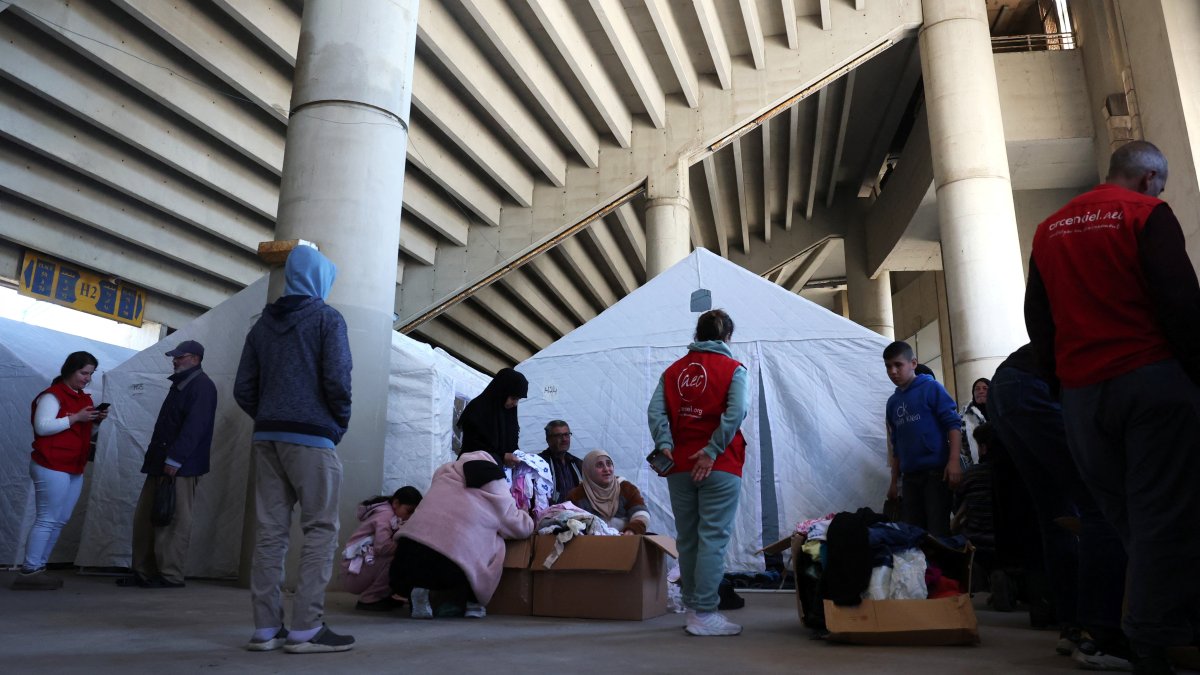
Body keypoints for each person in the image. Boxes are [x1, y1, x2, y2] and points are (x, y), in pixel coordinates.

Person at [1025, 140, 1200, 674]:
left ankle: (1152, 629)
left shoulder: (1049, 229)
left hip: (1082, 397)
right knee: (1163, 515)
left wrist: (1063, 388)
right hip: (1149, 383)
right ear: (1149, 179)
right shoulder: (1147, 214)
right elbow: (1181, 303)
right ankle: (1152, 641)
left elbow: (1039, 321)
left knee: (1126, 518)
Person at [235, 245, 354, 654]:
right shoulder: (326, 318)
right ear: (320, 279)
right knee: (321, 529)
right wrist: (337, 422)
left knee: (270, 533)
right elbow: (337, 379)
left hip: (266, 436)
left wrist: (268, 415)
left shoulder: (260, 326)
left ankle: (265, 629)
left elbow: (243, 388)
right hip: (313, 437)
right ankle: (306, 628)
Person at [989, 344, 1128, 667]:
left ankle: (1072, 626)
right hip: (1033, 386)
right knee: (1098, 505)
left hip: (1009, 388)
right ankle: (1104, 636)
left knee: (1058, 514)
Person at [647, 309, 748, 637]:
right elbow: (737, 411)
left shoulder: (672, 371)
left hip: (678, 464)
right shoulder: (734, 370)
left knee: (688, 539)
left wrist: (664, 442)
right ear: (727, 337)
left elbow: (655, 410)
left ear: (697, 334)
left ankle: (693, 608)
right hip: (719, 465)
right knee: (713, 539)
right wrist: (713, 449)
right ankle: (705, 613)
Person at [118, 340, 217, 590]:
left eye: (179, 356)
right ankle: (144, 571)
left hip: (178, 466)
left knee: (173, 520)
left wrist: (176, 459)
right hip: (162, 463)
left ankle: (170, 574)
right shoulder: (183, 384)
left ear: (195, 358)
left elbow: (195, 427)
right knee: (147, 518)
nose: (174, 360)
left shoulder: (202, 387)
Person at [391, 451, 533, 620]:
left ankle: (419, 590)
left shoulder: (445, 474)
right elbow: (517, 526)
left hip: (402, 564)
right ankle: (474, 602)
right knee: (496, 539)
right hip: (452, 568)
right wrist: (526, 515)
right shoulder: (493, 479)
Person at [12, 351, 107, 590]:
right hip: (51, 464)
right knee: (47, 519)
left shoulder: (82, 398)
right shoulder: (52, 396)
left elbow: (81, 434)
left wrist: (94, 421)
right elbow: (42, 427)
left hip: (73, 465)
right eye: (83, 372)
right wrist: (76, 418)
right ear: (69, 370)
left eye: (91, 374)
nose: (87, 378)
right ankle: (30, 570)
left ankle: (38, 568)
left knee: (59, 519)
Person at [883, 340, 962, 536]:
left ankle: (942, 567)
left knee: (937, 532)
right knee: (913, 533)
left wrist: (953, 462)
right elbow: (897, 446)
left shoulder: (931, 388)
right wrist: (894, 481)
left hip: (936, 474)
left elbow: (953, 424)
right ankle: (923, 568)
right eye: (888, 366)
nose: (893, 371)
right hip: (910, 479)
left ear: (913, 363)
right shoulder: (892, 403)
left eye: (898, 365)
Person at [340, 486, 422, 612]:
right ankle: (370, 599)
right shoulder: (385, 515)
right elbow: (382, 548)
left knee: (404, 554)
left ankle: (381, 595)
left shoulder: (390, 513)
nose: (410, 517)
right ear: (396, 503)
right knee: (400, 556)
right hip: (353, 573)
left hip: (358, 569)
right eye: (409, 511)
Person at [565, 450, 650, 535]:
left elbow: (641, 514)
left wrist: (632, 531)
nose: (606, 469)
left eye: (609, 464)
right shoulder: (577, 495)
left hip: (626, 542)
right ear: (589, 470)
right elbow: (569, 522)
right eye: (599, 465)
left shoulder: (625, 488)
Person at [458, 368, 528, 467]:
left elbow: (511, 443)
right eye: (513, 398)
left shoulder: (508, 414)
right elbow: (472, 446)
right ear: (502, 392)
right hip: (473, 470)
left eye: (518, 399)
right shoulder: (478, 409)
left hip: (498, 474)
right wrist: (502, 456)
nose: (515, 404)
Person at [539, 420, 582, 503]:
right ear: (548, 439)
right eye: (558, 435)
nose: (564, 439)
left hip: (577, 513)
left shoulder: (577, 463)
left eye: (566, 434)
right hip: (550, 513)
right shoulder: (539, 463)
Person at [960, 378, 988, 465]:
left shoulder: (999, 412)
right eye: (977, 389)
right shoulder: (965, 417)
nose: (981, 391)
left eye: (985, 388)